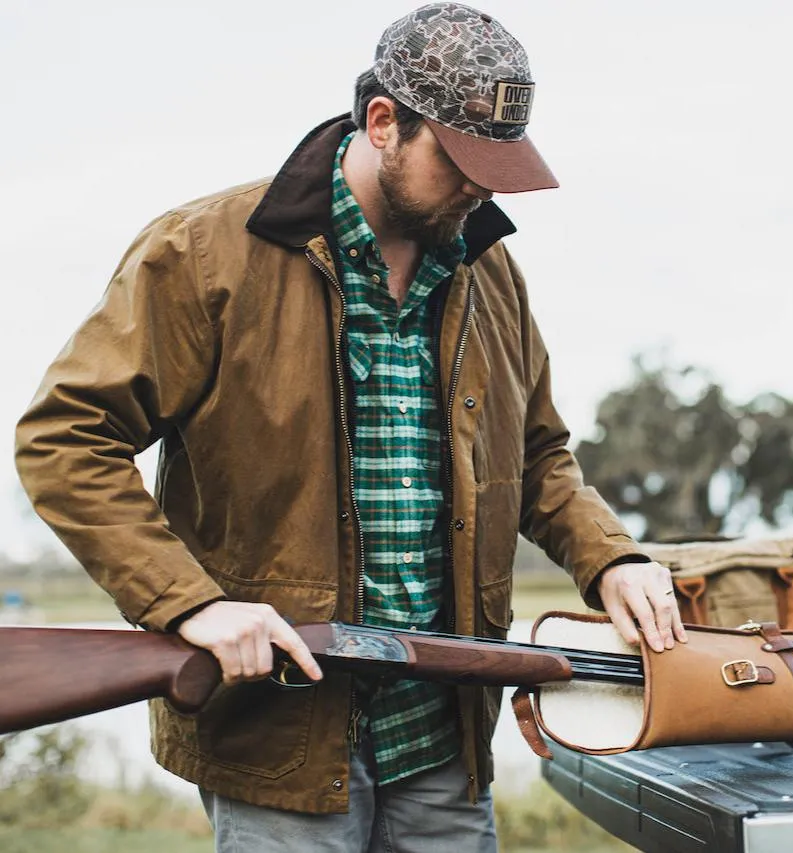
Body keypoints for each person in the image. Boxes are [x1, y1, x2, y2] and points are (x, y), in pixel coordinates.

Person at [15, 3, 685, 851]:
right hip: (280, 736)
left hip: (443, 729)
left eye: (499, 165)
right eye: (461, 160)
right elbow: (65, 438)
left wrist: (612, 557)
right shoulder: (200, 252)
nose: (481, 187)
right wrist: (191, 605)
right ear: (383, 123)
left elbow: (539, 454)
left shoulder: (488, 270)